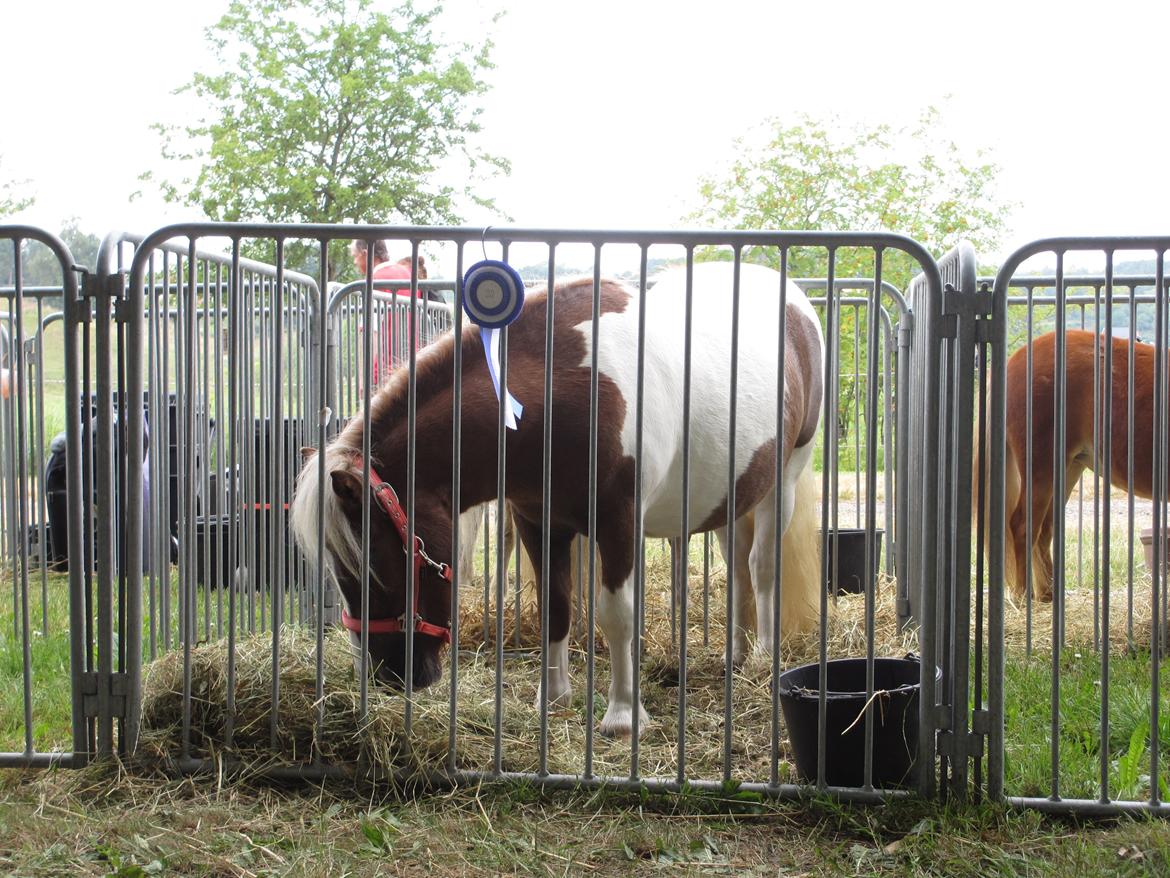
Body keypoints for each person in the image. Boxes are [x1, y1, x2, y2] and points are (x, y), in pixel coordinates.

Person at [350, 240, 434, 385]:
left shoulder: (374, 281)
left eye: (355, 256)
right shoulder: (407, 274)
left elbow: (372, 332)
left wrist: (365, 378)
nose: (354, 262)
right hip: (414, 365)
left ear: (366, 254)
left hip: (385, 371)